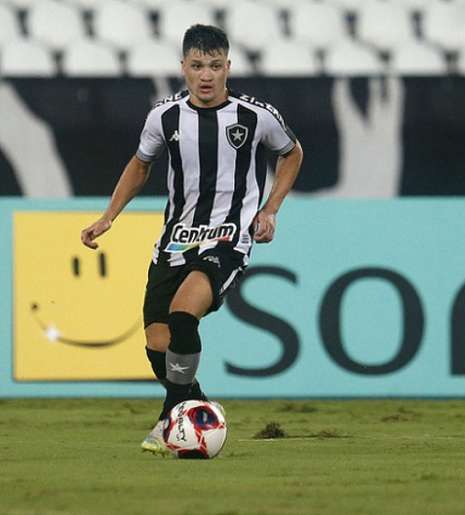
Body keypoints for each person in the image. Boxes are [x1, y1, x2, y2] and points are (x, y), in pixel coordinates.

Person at [80, 24, 303, 455]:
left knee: (184, 316)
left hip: (227, 240)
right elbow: (141, 164)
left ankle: (177, 418)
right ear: (183, 67)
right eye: (198, 65)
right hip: (175, 241)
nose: (206, 75)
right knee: (157, 342)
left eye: (215, 66)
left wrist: (271, 208)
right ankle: (189, 408)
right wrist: (109, 216)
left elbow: (291, 152)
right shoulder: (164, 117)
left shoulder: (255, 116)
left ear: (228, 68)